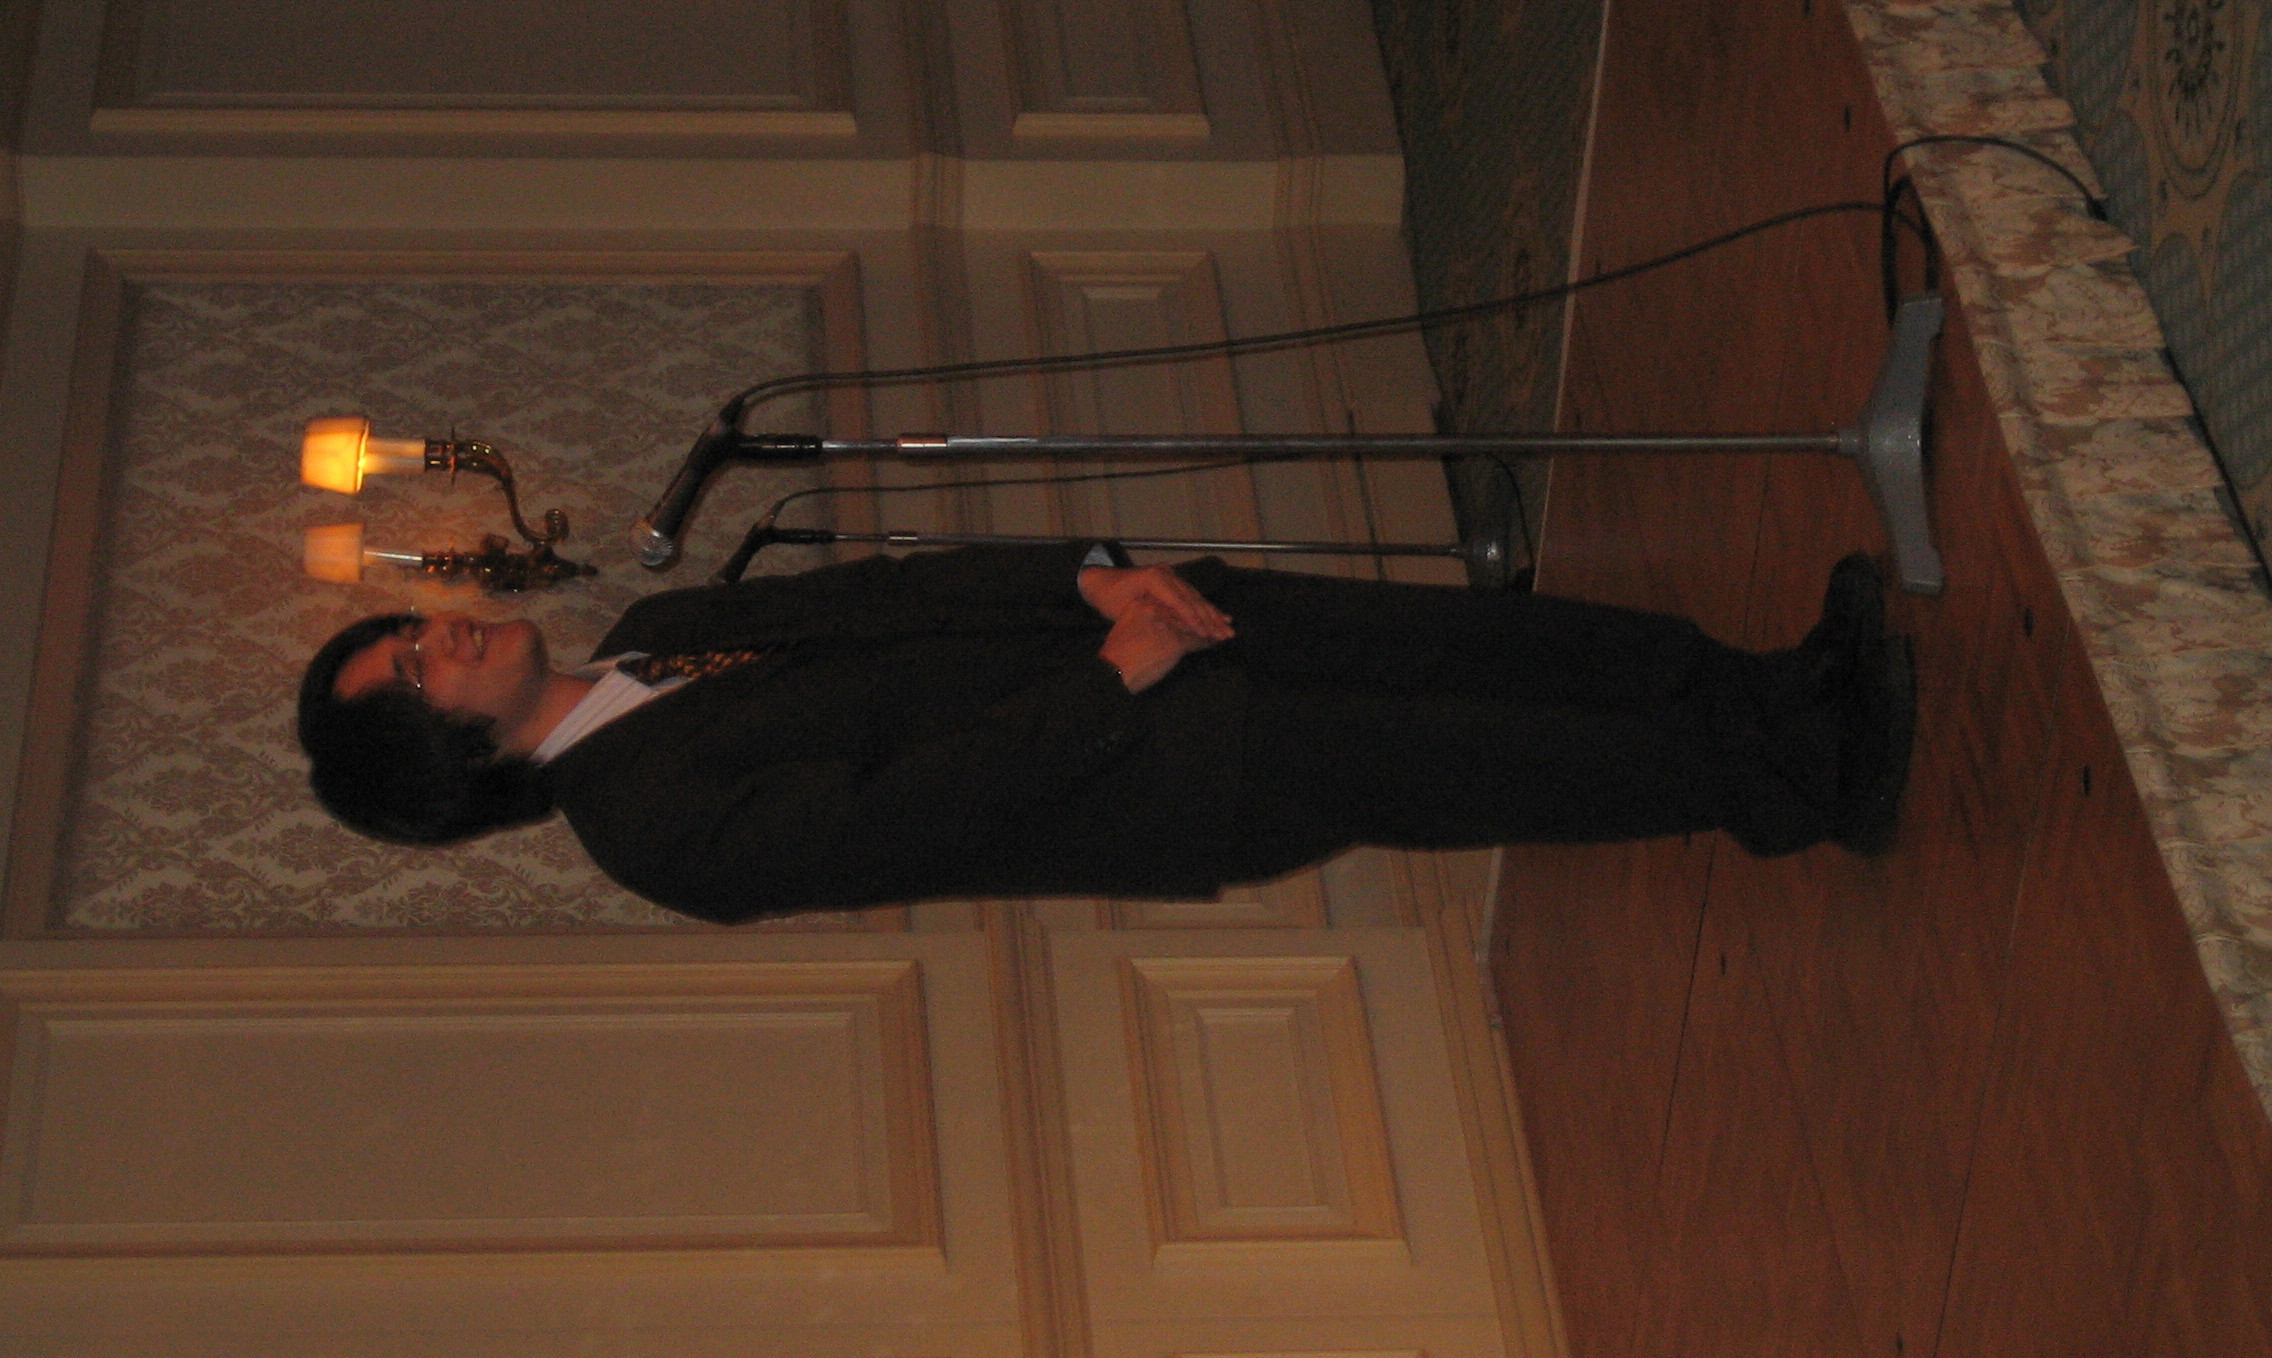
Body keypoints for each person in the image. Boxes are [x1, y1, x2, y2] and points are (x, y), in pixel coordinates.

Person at [298, 542, 1914, 923]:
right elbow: (915, 812)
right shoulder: (648, 833)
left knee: (1485, 646)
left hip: (1152, 628)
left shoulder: (655, 634)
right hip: (1163, 758)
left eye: (407, 629)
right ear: (449, 761)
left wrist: (1091, 574)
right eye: (413, 677)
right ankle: (1794, 778)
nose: (437, 635)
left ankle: (1769, 689)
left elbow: (900, 590)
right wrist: (1115, 677)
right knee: (1486, 752)